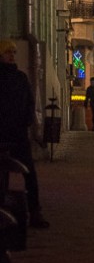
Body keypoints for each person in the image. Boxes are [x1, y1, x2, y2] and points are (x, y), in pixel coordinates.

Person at [0, 40, 49, 228]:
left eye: (13, 52)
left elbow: (29, 102)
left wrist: (28, 121)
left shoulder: (20, 77)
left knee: (29, 173)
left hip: (18, 134)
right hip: (3, 134)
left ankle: (35, 211)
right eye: (7, 52)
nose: (11, 55)